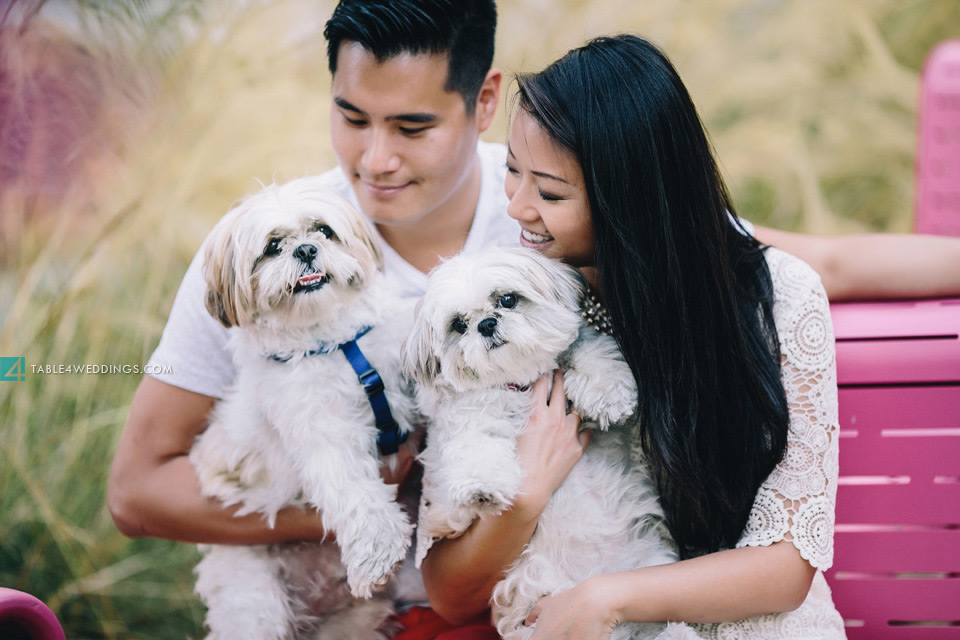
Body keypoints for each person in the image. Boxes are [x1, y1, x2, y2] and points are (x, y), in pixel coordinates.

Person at [107, 0, 960, 634]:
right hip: (423, 596)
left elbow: (801, 263)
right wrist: (377, 501)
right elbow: (138, 488)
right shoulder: (264, 247)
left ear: (483, 101)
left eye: (411, 125)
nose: (375, 159)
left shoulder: (565, 198)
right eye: (350, 117)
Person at [419, 34, 849, 638]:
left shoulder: (778, 298)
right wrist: (526, 495)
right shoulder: (514, 306)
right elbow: (449, 594)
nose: (516, 207)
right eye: (512, 172)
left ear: (633, 199)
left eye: (548, 191)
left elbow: (787, 567)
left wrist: (610, 597)